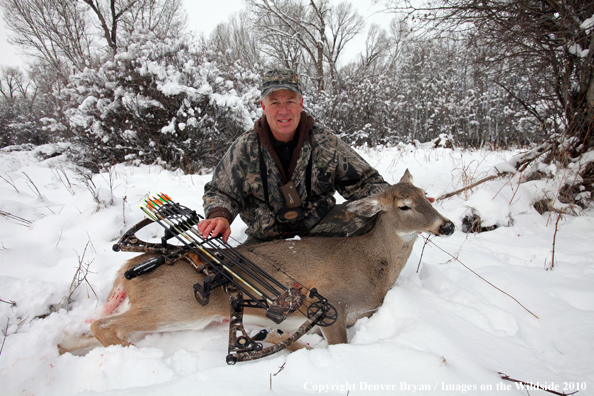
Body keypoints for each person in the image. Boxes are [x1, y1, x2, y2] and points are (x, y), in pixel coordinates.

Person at [198, 68, 389, 244]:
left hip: (321, 231)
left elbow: (367, 182)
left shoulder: (325, 142)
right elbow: (220, 192)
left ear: (300, 104)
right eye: (275, 102)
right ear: (263, 107)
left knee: (373, 216)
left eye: (290, 101)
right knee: (239, 274)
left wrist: (399, 202)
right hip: (267, 240)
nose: (283, 110)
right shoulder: (246, 147)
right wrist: (220, 215)